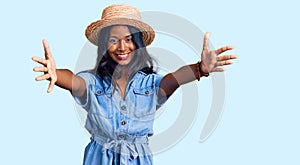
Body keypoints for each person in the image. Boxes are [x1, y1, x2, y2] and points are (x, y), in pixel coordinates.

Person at [32, 4, 237, 165]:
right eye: (114, 40)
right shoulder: (93, 83)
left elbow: (175, 78)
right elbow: (74, 81)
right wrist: (56, 74)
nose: (122, 47)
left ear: (138, 44)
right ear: (104, 45)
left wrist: (200, 69)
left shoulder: (151, 84)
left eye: (129, 39)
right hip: (98, 158)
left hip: (137, 159)